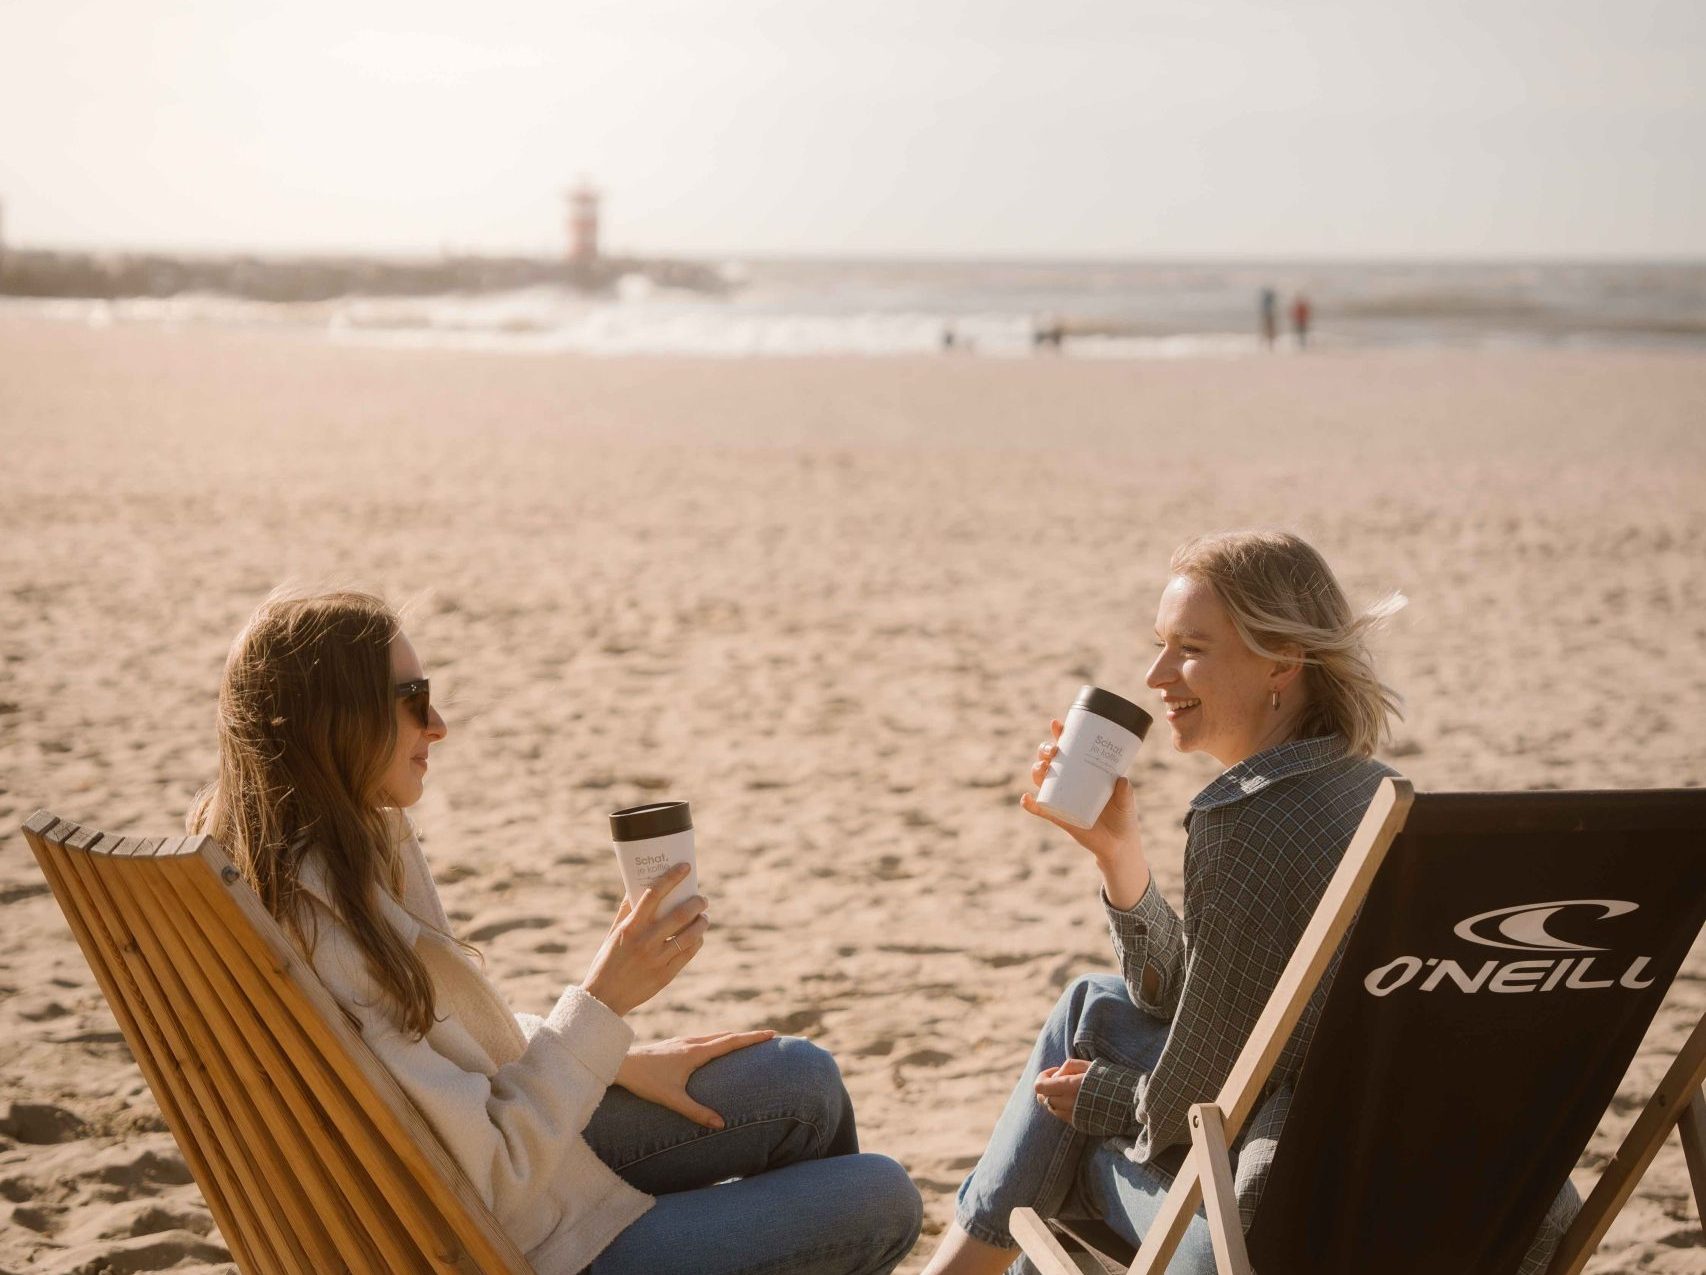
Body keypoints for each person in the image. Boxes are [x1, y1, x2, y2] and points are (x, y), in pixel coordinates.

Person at [187, 590, 921, 1275]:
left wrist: (608, 1056)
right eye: (413, 701)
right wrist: (600, 1006)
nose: (437, 724)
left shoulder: (294, 866)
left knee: (801, 1078)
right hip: (501, 1243)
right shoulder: (325, 925)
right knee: (880, 1197)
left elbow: (427, 1059)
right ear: (334, 723)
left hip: (473, 1185)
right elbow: (496, 1177)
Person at [921, 530, 1578, 1274]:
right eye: (1160, 644)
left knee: (1065, 1120)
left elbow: (1206, 1096)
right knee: (1090, 1009)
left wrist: (1106, 1099)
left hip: (1282, 1237)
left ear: (1283, 660)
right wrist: (1121, 859)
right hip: (1476, 1219)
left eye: (1190, 648)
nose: (1156, 672)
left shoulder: (1250, 820)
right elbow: (1230, 1012)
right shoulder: (1378, 796)